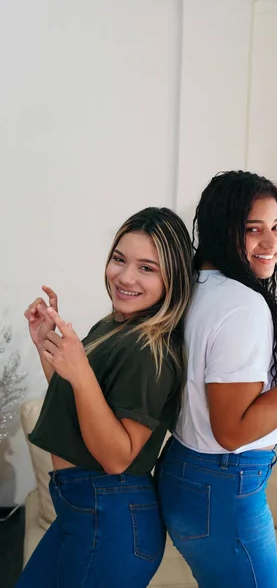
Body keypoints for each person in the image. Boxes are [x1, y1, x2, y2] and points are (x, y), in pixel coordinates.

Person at [156, 171, 277, 588]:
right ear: (224, 229)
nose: (273, 242)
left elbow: (260, 352)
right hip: (224, 482)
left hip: (190, 476)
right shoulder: (241, 304)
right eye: (253, 229)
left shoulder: (201, 284)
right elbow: (232, 430)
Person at [16, 207, 192, 588]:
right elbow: (79, 407)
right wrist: (48, 345)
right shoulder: (114, 326)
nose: (125, 277)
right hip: (83, 508)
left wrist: (80, 373)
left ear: (173, 279)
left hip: (111, 512)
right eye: (119, 259)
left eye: (147, 268)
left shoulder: (150, 348)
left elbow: (116, 457)